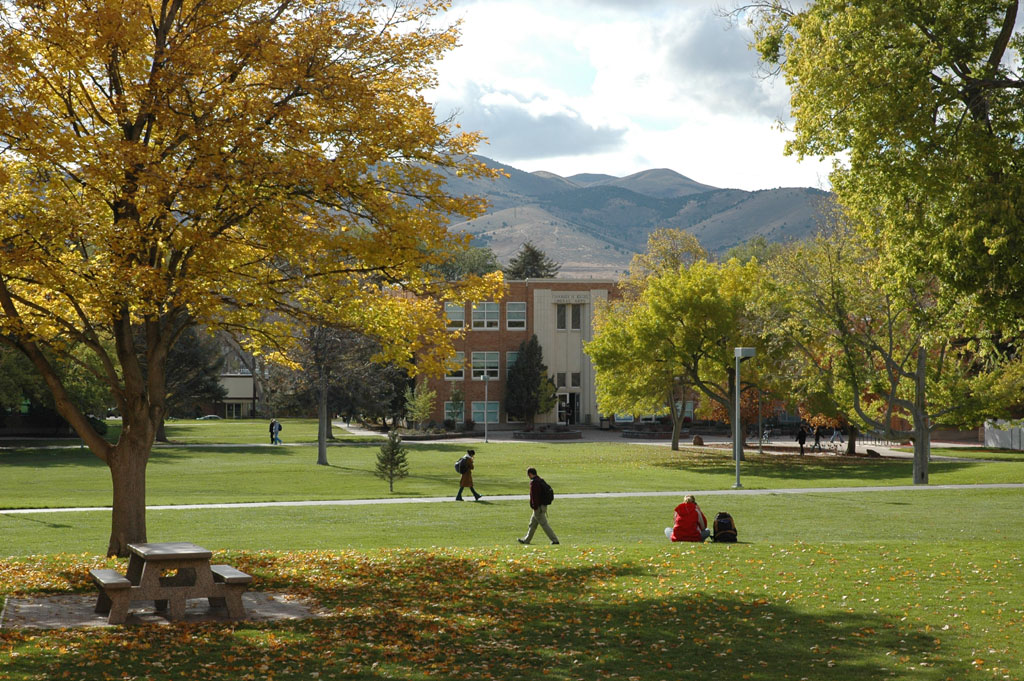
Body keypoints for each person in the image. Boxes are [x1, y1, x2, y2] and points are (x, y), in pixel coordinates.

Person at [517, 467, 559, 545]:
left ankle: (555, 540)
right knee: (532, 524)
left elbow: (535, 497)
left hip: (538, 508)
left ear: (530, 474)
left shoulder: (534, 483)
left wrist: (535, 507)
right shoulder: (540, 480)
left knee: (544, 524)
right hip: (542, 506)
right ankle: (527, 540)